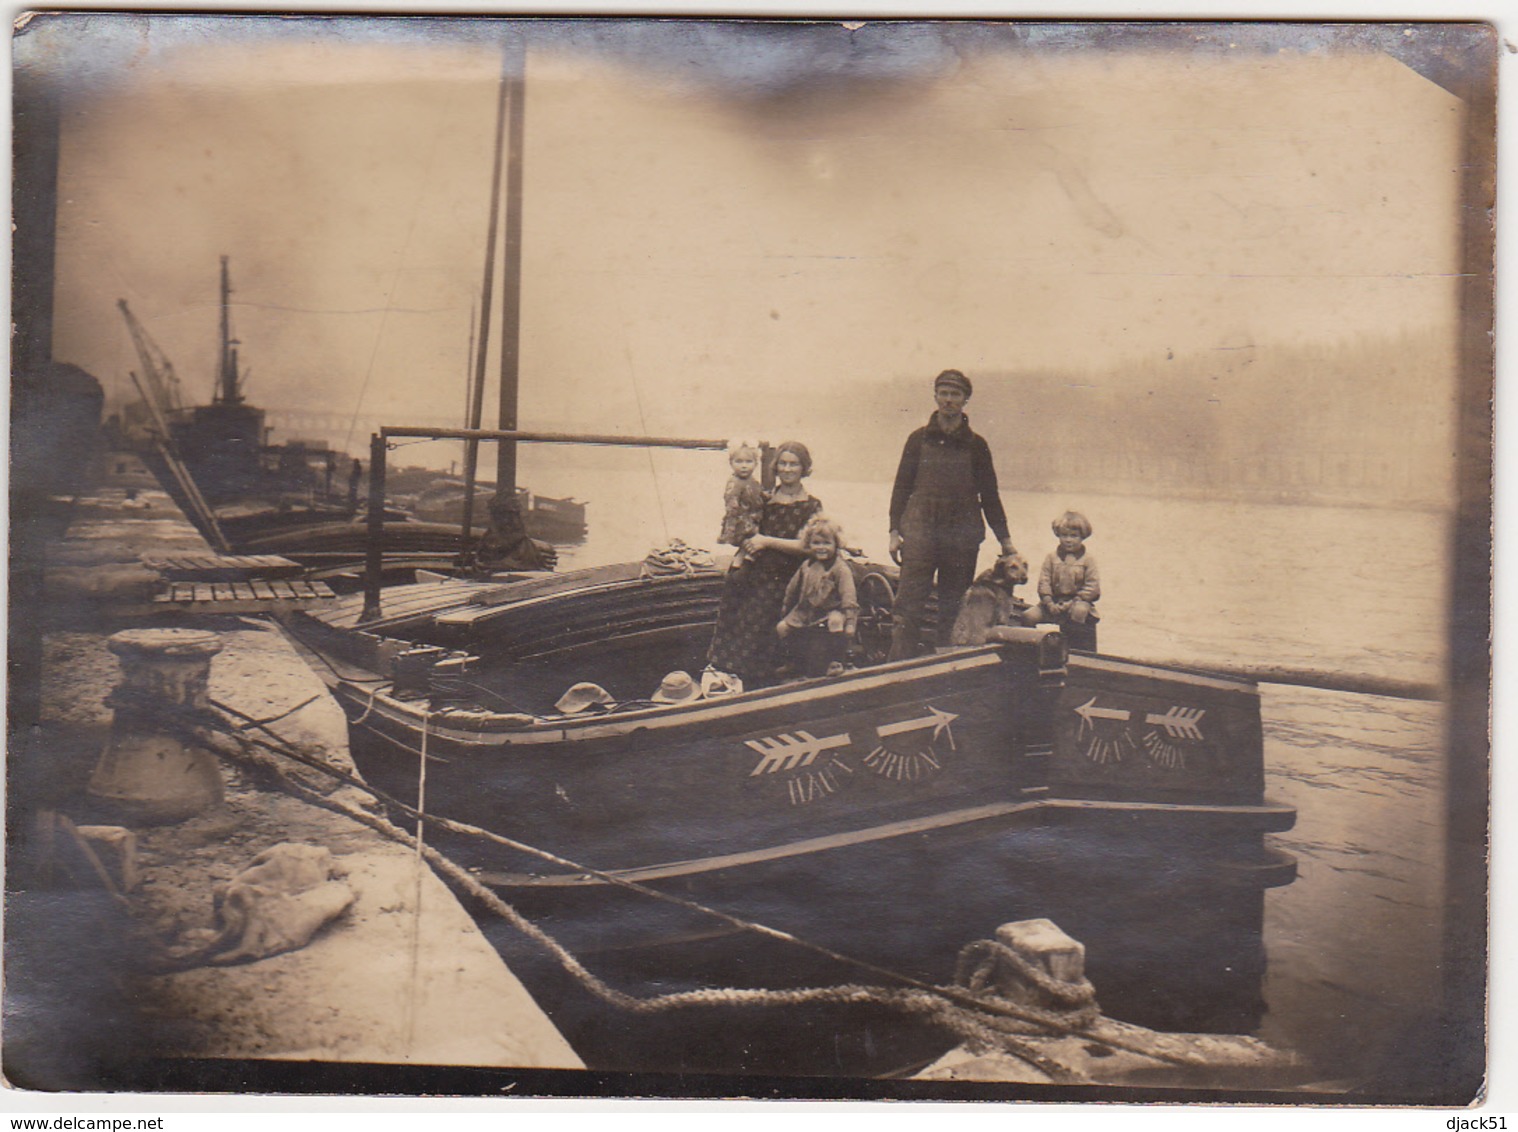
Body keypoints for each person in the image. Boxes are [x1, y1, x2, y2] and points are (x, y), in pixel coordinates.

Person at [887, 369, 1018, 660]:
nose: (948, 400)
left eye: (955, 394)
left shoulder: (977, 446)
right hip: (920, 532)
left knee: (953, 607)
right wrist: (894, 532)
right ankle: (895, 676)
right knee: (908, 606)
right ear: (935, 396)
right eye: (943, 394)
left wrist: (1006, 542)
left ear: (965, 400)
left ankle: (944, 673)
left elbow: (991, 497)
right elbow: (901, 488)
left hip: (962, 536)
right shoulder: (917, 440)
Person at [706, 441, 823, 685]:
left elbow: (807, 546)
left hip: (789, 576)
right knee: (736, 609)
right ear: (776, 467)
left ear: (804, 468)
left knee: (767, 621)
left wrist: (765, 541)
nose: (787, 469)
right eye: (783, 463)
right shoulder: (764, 499)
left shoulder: (812, 505)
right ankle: (737, 682)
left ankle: (765, 683)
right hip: (757, 571)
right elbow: (744, 531)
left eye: (794, 464)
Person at [776, 515, 859, 677]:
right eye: (816, 543)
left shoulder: (840, 569)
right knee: (782, 628)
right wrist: (786, 610)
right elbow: (791, 589)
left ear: (836, 544)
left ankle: (836, 662)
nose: (821, 548)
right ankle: (793, 662)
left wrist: (850, 622)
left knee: (835, 622)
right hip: (806, 610)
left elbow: (849, 597)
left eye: (827, 543)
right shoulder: (806, 566)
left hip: (831, 610)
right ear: (809, 543)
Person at [1034, 510, 1100, 652]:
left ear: (1082, 537)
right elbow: (1043, 582)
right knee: (1028, 616)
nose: (1068, 540)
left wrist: (1072, 602)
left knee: (1079, 612)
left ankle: (1076, 652)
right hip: (1053, 602)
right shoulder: (1051, 558)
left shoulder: (1088, 560)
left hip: (1077, 602)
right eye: (1064, 535)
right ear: (1058, 535)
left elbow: (1092, 587)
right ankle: (1030, 653)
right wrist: (1049, 603)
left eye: (1074, 536)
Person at [718, 442, 766, 569]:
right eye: (738, 462)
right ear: (731, 463)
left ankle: (743, 563)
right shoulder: (735, 482)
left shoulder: (752, 480)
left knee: (750, 547)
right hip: (740, 520)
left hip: (753, 517)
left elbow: (758, 493)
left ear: (756, 463)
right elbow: (731, 502)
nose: (744, 466)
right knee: (748, 545)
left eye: (748, 462)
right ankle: (738, 567)